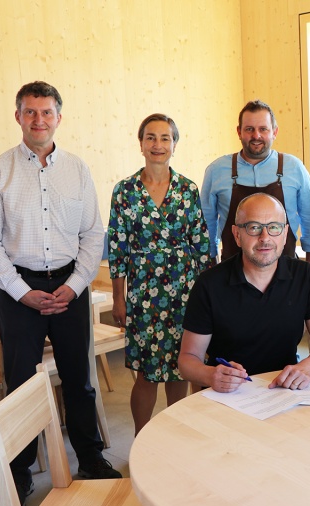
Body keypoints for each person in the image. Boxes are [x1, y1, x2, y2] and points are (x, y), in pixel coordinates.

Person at [0, 81, 120, 506]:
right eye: (30, 112)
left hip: (69, 286)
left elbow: (94, 234)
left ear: (59, 116)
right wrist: (22, 292)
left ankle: (90, 459)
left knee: (79, 378)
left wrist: (74, 286)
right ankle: (18, 473)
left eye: (47, 112)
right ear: (18, 117)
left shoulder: (78, 169)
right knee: (20, 386)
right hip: (19, 290)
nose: (39, 120)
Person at [107, 113, 211, 435]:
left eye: (165, 138)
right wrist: (118, 299)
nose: (157, 145)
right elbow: (118, 249)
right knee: (147, 373)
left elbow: (203, 246)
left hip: (185, 291)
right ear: (140, 144)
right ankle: (141, 438)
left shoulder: (187, 189)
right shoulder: (125, 191)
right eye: (150, 137)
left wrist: (209, 300)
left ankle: (177, 438)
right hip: (143, 294)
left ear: (174, 145)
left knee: (181, 369)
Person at [177, 193, 310, 392]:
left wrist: (306, 368)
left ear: (284, 234)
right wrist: (211, 375)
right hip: (228, 395)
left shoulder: (303, 276)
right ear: (237, 235)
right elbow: (187, 360)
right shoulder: (209, 284)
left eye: (274, 227)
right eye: (254, 227)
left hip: (283, 389)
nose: (265, 238)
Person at [202, 100, 310, 266]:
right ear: (239, 132)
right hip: (231, 274)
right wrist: (210, 267)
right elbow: (206, 225)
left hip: (285, 272)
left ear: (274, 132)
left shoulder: (294, 168)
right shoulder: (216, 170)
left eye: (263, 129)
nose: (256, 135)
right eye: (249, 129)